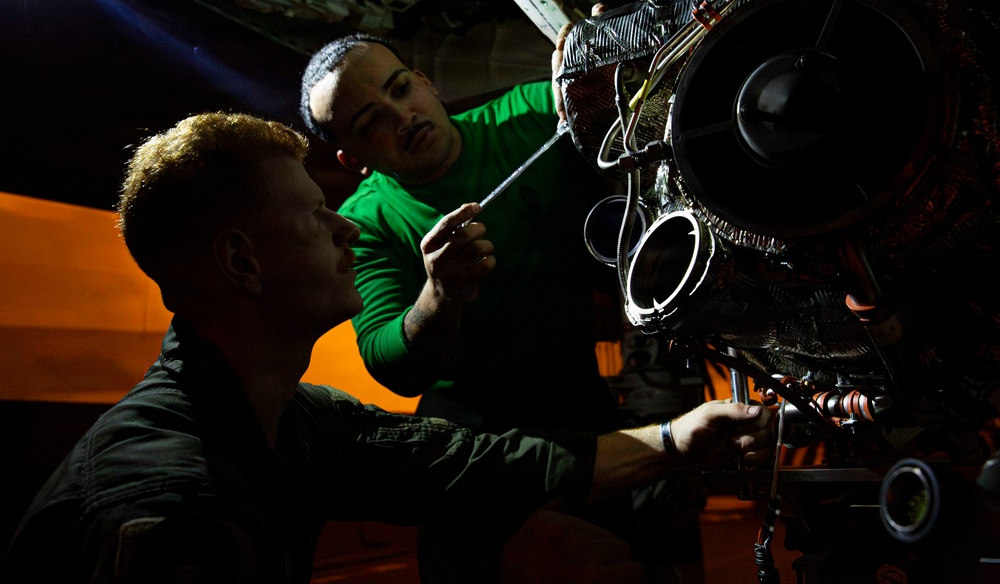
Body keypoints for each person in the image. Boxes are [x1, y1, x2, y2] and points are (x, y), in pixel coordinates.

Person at [0, 111, 773, 583]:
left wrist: (680, 435)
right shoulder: (171, 506)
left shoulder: (296, 421)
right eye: (314, 216)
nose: (349, 227)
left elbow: (487, 464)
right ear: (242, 262)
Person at [300, 31, 710, 581]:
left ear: (425, 82)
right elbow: (389, 363)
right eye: (371, 120)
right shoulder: (367, 222)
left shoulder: (531, 115)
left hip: (580, 404)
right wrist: (439, 296)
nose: (402, 116)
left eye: (401, 88)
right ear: (353, 158)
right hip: (470, 441)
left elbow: (640, 99)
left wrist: (604, 58)